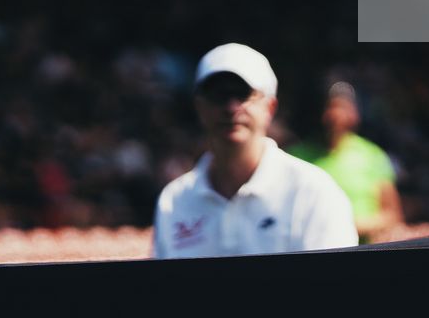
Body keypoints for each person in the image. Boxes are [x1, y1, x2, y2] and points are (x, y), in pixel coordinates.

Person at [151, 44, 357, 257]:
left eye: (242, 94)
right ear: (199, 106)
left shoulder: (313, 192)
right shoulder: (174, 201)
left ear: (270, 106)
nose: (231, 108)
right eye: (218, 94)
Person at [287, 81, 403, 242]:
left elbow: (392, 215)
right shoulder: (298, 156)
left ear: (354, 114)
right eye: (330, 107)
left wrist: (350, 224)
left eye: (341, 108)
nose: (334, 116)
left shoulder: (373, 156)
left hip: (363, 250)